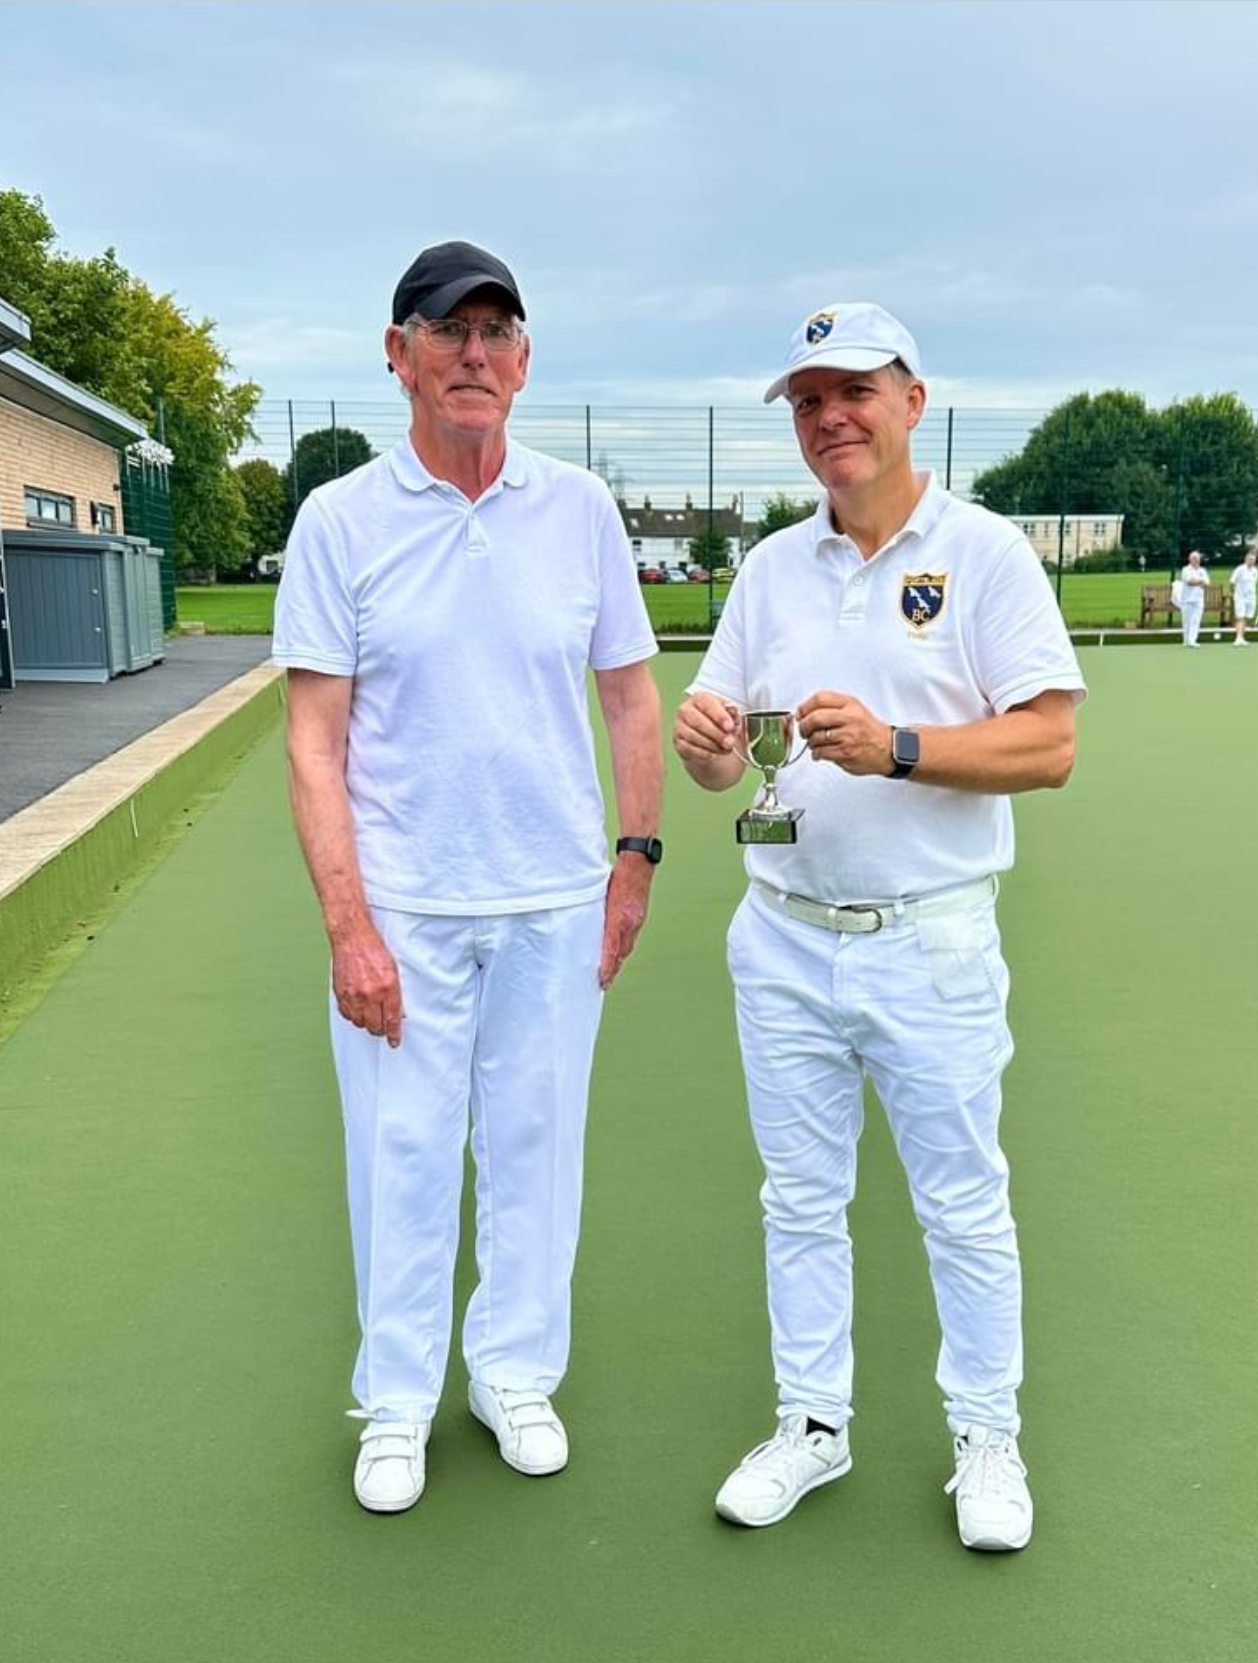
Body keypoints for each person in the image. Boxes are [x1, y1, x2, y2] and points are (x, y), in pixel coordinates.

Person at [673, 301, 1086, 1552]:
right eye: (805, 400)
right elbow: (720, 746)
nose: (828, 418)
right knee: (798, 1198)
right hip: (784, 935)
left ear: (911, 399)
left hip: (929, 938)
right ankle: (813, 1423)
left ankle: (985, 1436)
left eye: (851, 390)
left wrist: (901, 748)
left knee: (961, 1200)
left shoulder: (983, 553)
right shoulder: (768, 568)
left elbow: (1051, 743)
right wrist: (701, 745)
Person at [272, 241, 663, 1514]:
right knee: (402, 1153)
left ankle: (513, 1373)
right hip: (407, 907)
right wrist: (349, 925)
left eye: (497, 332)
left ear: (525, 359)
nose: (475, 355)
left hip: (553, 898)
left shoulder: (581, 508)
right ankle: (395, 1401)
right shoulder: (341, 519)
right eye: (449, 332)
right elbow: (314, 740)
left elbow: (629, 696)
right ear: (399, 355)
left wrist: (634, 856)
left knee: (537, 1148)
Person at [1180, 549, 1208, 647]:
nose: (1196, 560)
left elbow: (1206, 583)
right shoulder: (1185, 569)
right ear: (1190, 559)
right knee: (1187, 621)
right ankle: (1186, 640)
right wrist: (1200, 582)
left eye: (1197, 558)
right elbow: (1189, 582)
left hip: (1199, 599)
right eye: (1194, 558)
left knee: (1196, 620)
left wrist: (1199, 582)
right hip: (1187, 600)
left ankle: (1192, 640)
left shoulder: (1203, 570)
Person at [1229, 549, 1256, 645]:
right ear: (1245, 559)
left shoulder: (1255, 571)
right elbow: (1232, 583)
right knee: (1240, 617)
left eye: (1253, 560)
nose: (1251, 561)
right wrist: (1234, 594)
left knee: (1247, 617)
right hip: (1240, 597)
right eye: (1249, 559)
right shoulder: (1239, 569)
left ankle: (1242, 637)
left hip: (1251, 598)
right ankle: (1238, 638)